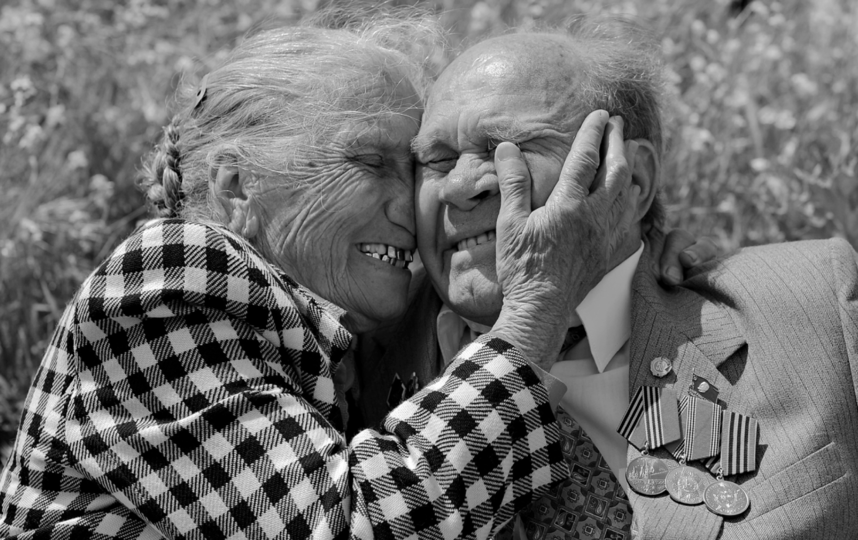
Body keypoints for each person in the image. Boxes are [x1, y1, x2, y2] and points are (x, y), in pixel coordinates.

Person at [0, 12, 716, 540]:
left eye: (416, 170)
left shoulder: (341, 323)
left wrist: (632, 241)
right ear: (237, 184)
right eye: (372, 164)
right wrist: (536, 305)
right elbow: (357, 525)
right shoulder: (171, 274)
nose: (417, 205)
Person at [367, 15, 858, 540]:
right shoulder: (358, 367)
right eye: (436, 161)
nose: (460, 186)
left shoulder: (815, 302)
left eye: (506, 148)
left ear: (633, 177)